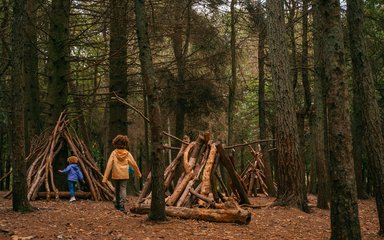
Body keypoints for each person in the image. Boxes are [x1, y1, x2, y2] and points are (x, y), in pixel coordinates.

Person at [102, 135, 142, 212]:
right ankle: (121, 205)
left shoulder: (114, 153)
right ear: (126, 144)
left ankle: (117, 203)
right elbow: (134, 164)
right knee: (123, 189)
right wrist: (138, 173)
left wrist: (105, 178)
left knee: (117, 189)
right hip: (124, 174)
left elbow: (109, 165)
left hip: (116, 174)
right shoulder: (127, 153)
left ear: (115, 143)